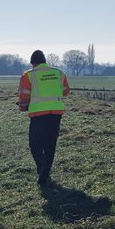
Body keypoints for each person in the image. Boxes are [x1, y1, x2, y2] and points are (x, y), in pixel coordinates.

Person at [17, 50, 71, 185]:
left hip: (38, 115)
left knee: (34, 143)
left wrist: (23, 106)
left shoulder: (28, 75)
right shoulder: (59, 73)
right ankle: (46, 171)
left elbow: (24, 95)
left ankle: (41, 166)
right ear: (45, 61)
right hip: (56, 113)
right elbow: (66, 91)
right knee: (50, 143)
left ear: (33, 63)